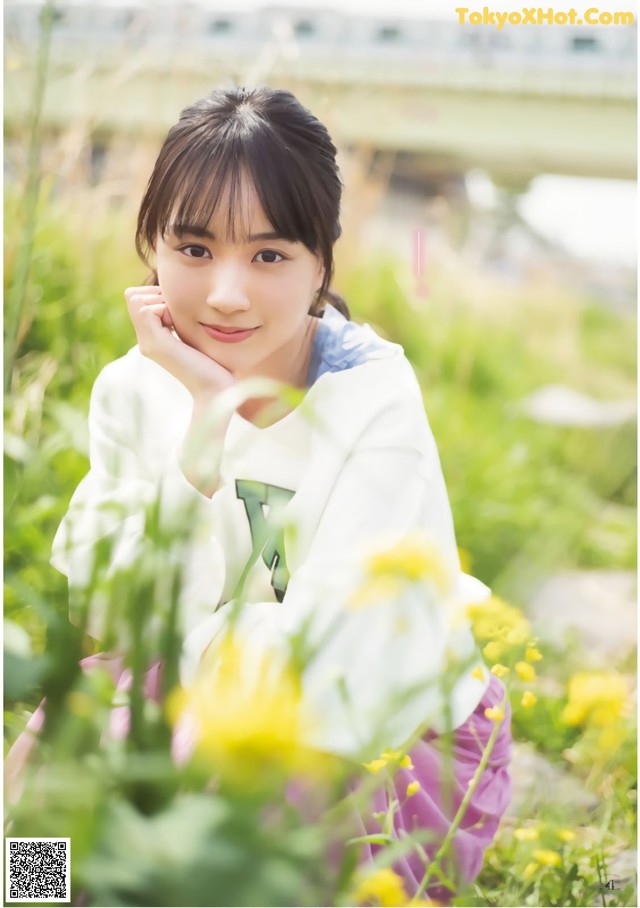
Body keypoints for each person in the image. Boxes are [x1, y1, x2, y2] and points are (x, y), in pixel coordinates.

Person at [50, 86, 511, 899]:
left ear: (321, 265)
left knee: (196, 850)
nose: (226, 293)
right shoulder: (138, 387)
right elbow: (116, 607)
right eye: (194, 250)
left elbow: (348, 669)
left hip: (382, 743)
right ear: (151, 249)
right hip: (194, 693)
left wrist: (169, 706)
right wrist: (203, 422)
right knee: (41, 816)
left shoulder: (372, 398)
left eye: (268, 256)